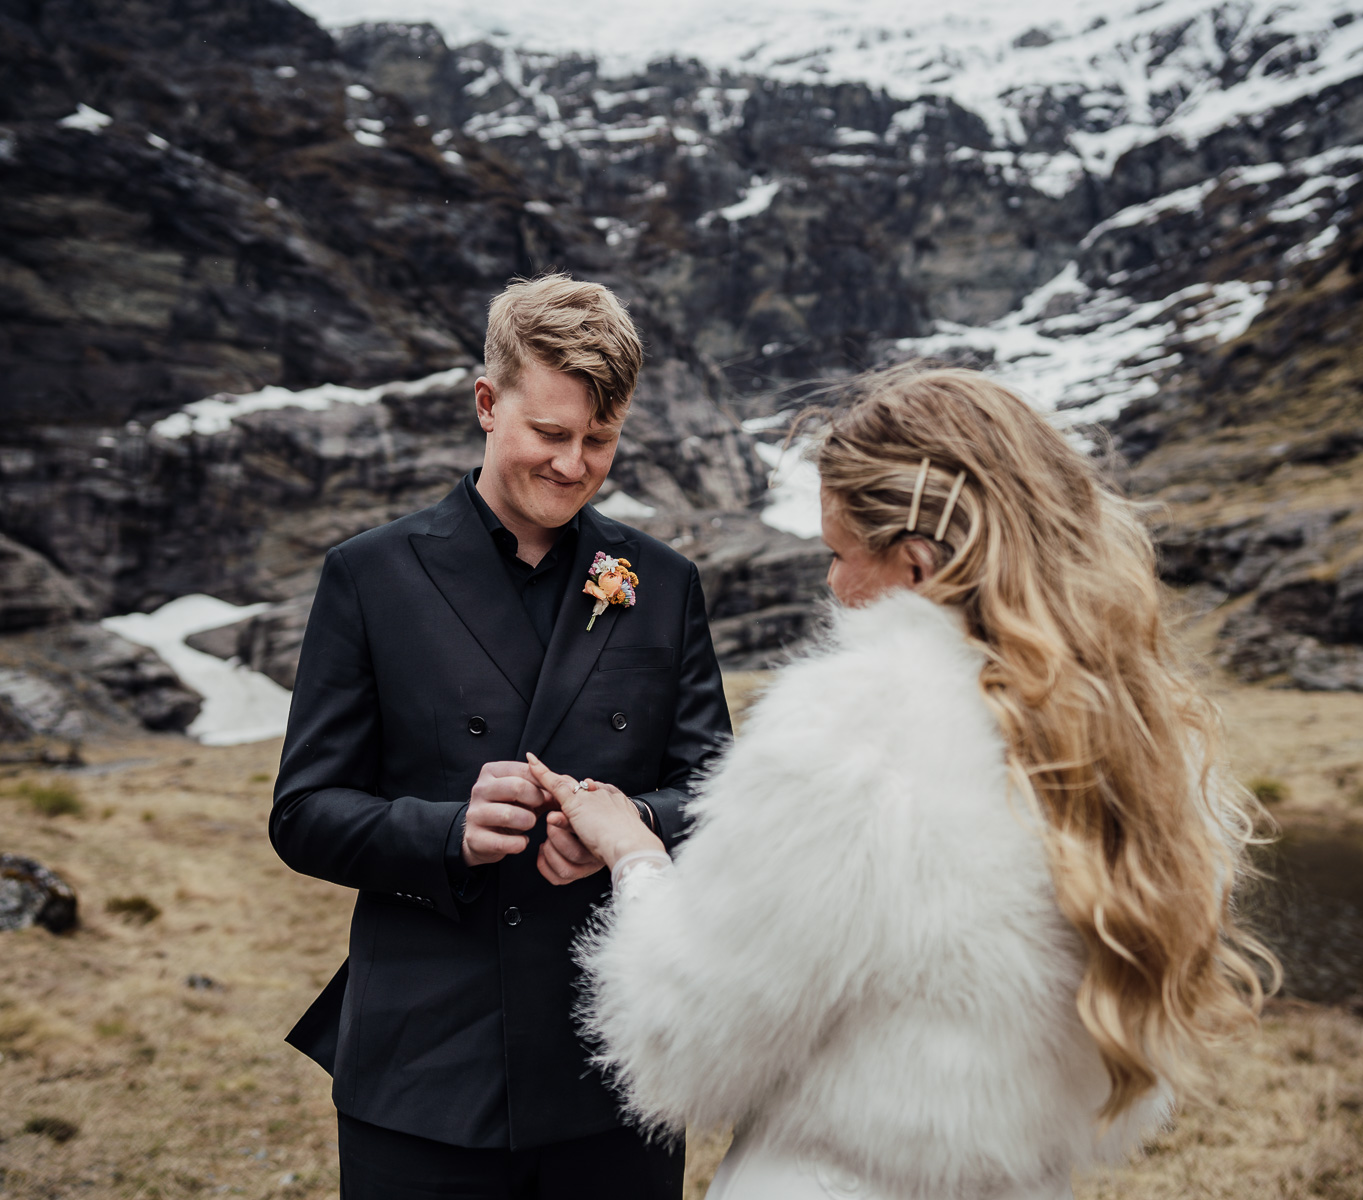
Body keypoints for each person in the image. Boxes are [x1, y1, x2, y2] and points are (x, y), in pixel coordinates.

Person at [527, 367, 1275, 1200]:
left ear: (917, 566)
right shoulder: (1139, 735)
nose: (832, 583)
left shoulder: (853, 732)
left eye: (839, 554)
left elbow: (684, 1046)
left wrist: (634, 856)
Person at [269, 274, 733, 1199]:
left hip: (615, 1064)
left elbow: (721, 796)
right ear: (487, 404)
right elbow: (304, 813)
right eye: (550, 433)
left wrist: (634, 823)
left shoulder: (662, 581)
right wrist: (447, 832)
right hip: (425, 1070)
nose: (573, 464)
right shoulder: (370, 576)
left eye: (599, 439)